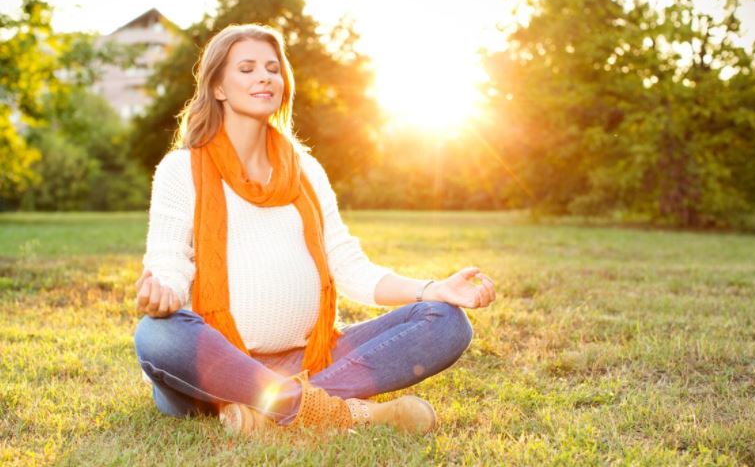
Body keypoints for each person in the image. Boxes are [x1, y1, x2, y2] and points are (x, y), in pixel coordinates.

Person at [132, 23, 497, 435]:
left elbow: (348, 265)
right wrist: (163, 290)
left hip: (310, 357)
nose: (265, 76)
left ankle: (270, 409)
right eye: (247, 69)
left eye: (273, 67)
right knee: (157, 335)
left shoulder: (307, 171)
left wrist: (433, 289)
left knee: (447, 322)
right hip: (215, 366)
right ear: (217, 87)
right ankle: (344, 412)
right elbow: (169, 260)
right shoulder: (181, 169)